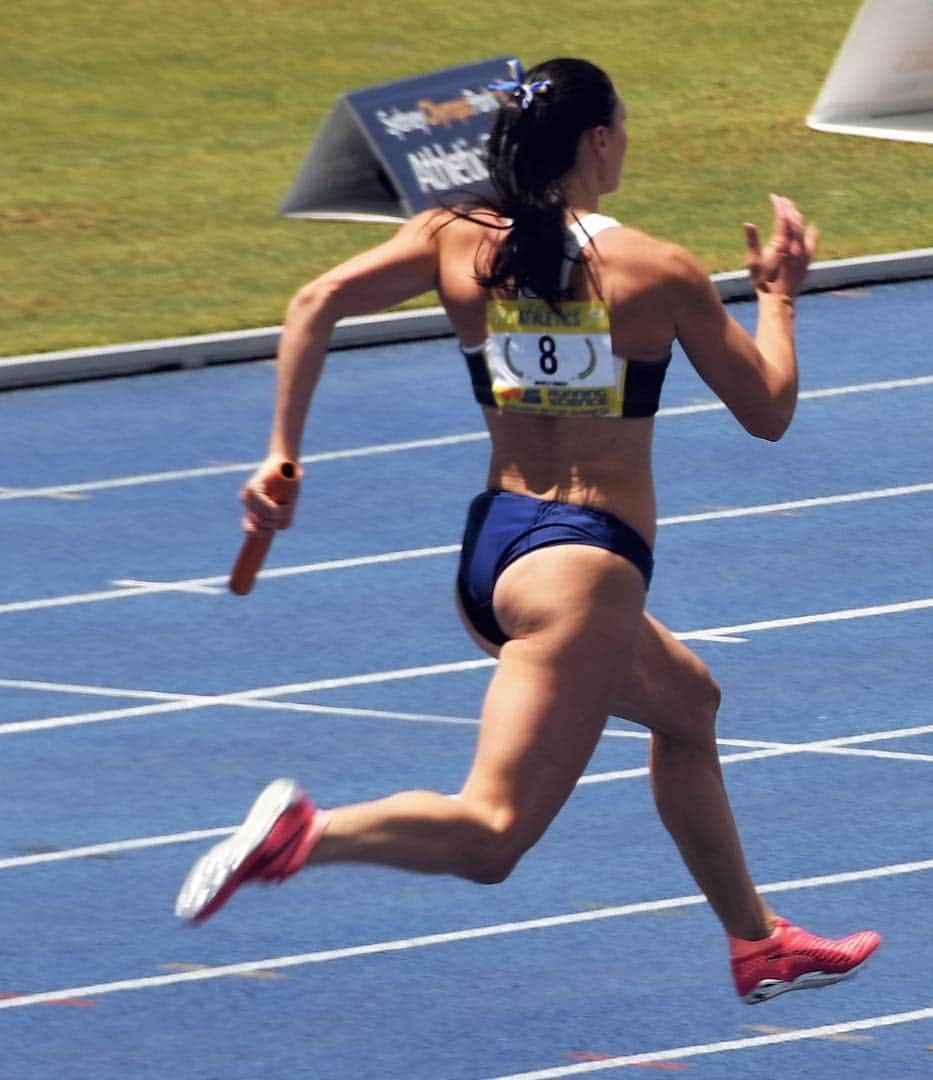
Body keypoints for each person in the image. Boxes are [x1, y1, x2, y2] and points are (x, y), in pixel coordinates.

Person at [175, 57, 880, 1004]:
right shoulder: (656, 270)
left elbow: (313, 304)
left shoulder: (456, 240)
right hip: (582, 568)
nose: (626, 141)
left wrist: (278, 453)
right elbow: (769, 410)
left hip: (496, 550)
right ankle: (306, 834)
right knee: (494, 836)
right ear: (597, 142)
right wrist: (780, 295)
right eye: (622, 127)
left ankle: (759, 943)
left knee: (689, 706)